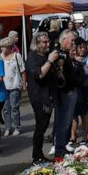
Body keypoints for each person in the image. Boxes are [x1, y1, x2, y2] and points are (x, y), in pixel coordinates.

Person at [26, 32, 58, 164]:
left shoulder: (45, 55)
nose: (47, 44)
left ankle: (39, 154)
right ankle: (37, 156)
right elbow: (38, 75)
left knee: (44, 125)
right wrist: (50, 61)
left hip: (49, 95)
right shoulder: (32, 57)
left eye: (48, 42)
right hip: (38, 97)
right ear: (37, 44)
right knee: (40, 126)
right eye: (44, 42)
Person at [50, 30, 78, 158]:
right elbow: (58, 77)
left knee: (67, 122)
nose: (73, 43)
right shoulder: (57, 53)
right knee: (62, 122)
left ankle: (63, 145)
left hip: (70, 89)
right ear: (64, 39)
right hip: (63, 93)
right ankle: (59, 149)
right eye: (71, 40)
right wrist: (60, 68)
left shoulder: (66, 53)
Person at [0, 37, 25, 137]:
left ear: (9, 47)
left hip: (15, 85)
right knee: (6, 108)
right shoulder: (0, 57)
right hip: (3, 86)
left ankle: (17, 127)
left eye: (3, 47)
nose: (1, 49)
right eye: (1, 47)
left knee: (14, 107)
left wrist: (24, 83)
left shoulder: (16, 55)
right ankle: (7, 127)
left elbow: (23, 70)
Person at [70, 41, 88, 143]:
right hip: (73, 89)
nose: (82, 50)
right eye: (80, 47)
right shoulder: (72, 59)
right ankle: (72, 136)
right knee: (73, 114)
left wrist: (83, 68)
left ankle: (86, 136)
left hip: (83, 88)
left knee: (84, 113)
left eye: (84, 47)